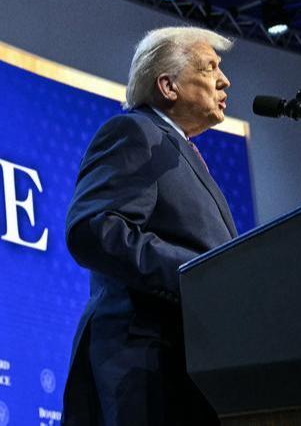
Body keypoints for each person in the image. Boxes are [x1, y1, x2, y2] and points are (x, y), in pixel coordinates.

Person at [62, 26, 239, 426]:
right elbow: (95, 227)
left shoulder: (180, 152)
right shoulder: (135, 131)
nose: (224, 80)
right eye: (210, 67)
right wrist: (200, 278)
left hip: (191, 368)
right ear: (168, 85)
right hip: (144, 364)